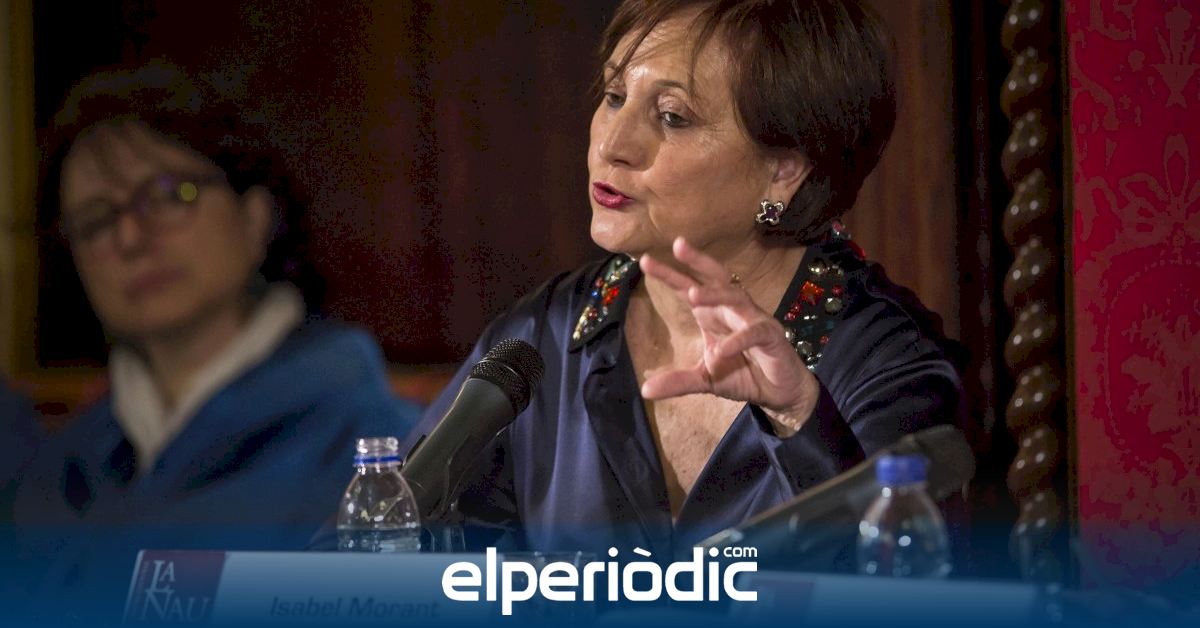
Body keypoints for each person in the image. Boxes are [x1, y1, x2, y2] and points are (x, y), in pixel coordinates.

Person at [409, 0, 966, 564]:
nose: (612, 145)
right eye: (614, 96)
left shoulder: (890, 364)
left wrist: (801, 417)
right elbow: (399, 549)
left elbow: (901, 583)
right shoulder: (542, 338)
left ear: (783, 170)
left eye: (672, 117)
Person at [7, 61, 421, 620]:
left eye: (169, 195)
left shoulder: (380, 455)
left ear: (254, 216)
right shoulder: (57, 474)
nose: (130, 238)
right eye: (95, 221)